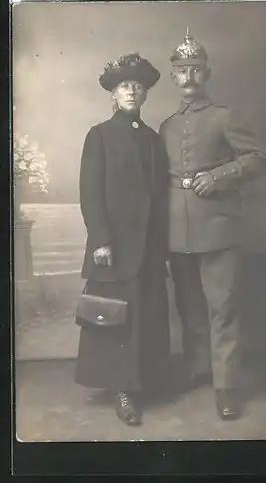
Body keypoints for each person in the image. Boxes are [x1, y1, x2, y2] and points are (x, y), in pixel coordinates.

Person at [159, 28, 266, 420]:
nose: (189, 77)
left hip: (219, 228)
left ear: (207, 74)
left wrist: (219, 177)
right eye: (182, 70)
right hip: (177, 229)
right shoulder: (167, 126)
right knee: (189, 307)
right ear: (173, 76)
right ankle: (199, 368)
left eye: (196, 69)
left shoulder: (225, 117)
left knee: (223, 308)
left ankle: (226, 385)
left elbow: (257, 158)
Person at [75, 53, 170, 426]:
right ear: (113, 94)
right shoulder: (99, 135)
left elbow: (158, 195)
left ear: (145, 94)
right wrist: (100, 239)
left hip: (148, 246)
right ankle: (123, 390)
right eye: (124, 86)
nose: (131, 90)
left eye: (138, 86)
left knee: (146, 313)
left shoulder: (151, 138)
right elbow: (90, 192)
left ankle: (148, 380)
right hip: (113, 246)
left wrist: (160, 244)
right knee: (116, 319)